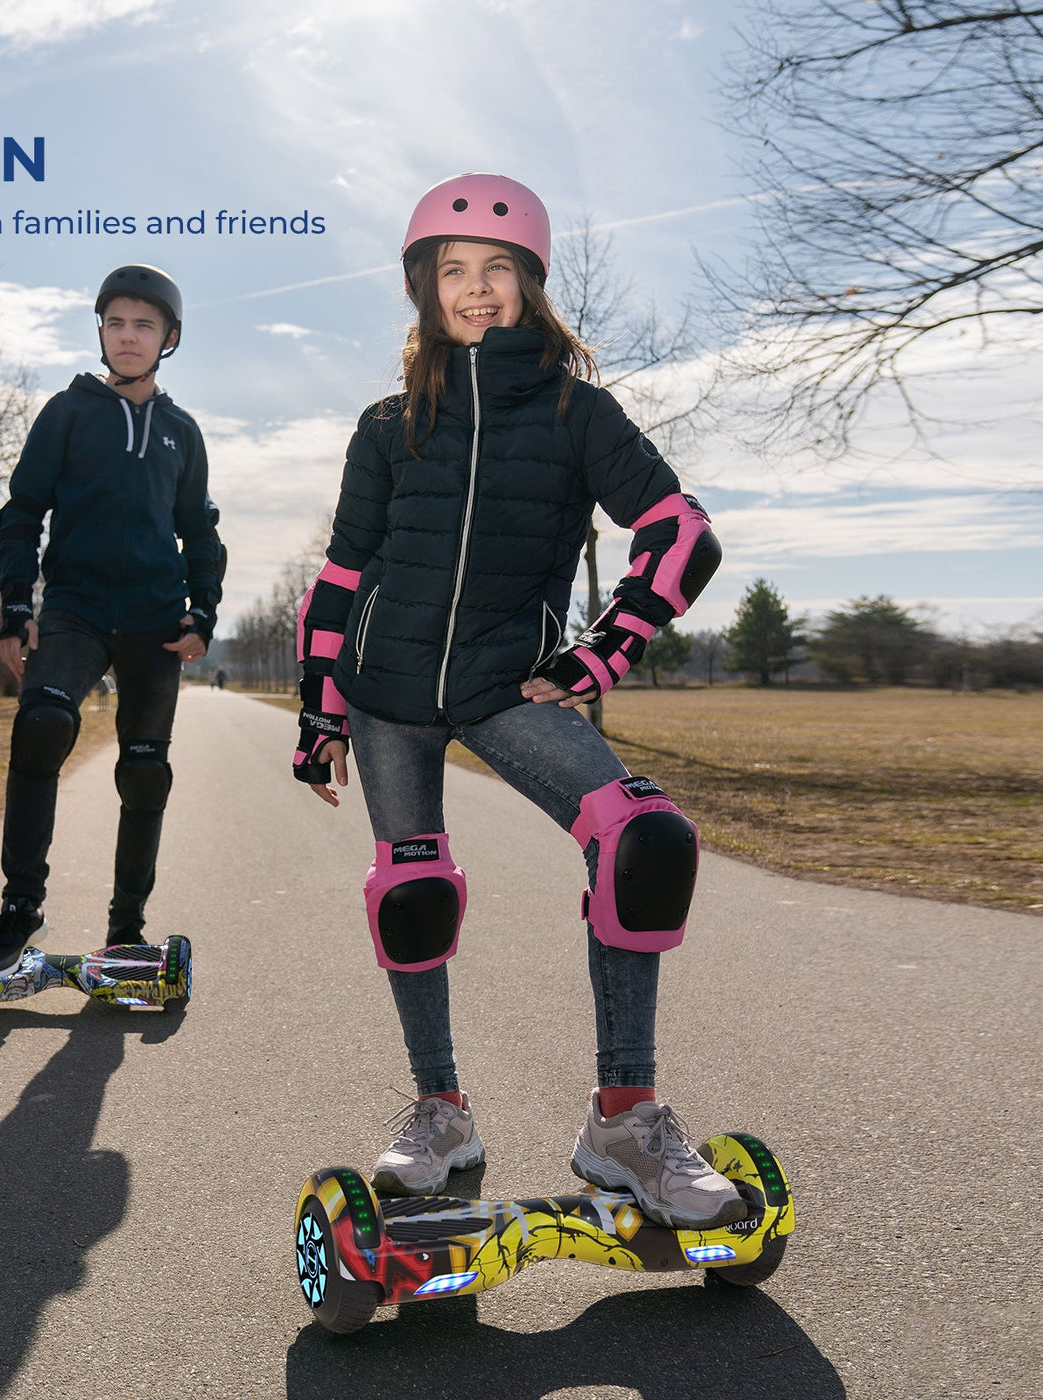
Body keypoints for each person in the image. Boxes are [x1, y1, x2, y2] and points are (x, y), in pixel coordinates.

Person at [292, 174, 744, 1230]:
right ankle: (439, 1111)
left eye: (497, 268)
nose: (475, 287)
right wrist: (319, 712)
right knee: (411, 892)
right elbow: (341, 575)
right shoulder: (387, 423)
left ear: (530, 284)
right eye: (452, 270)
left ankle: (624, 1120)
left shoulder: (575, 411)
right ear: (424, 288)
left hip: (507, 683)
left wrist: (601, 653)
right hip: (387, 693)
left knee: (644, 840)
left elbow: (681, 533)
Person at [0, 264, 225, 975]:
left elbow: (200, 533)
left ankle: (126, 929)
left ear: (168, 338)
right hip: (76, 608)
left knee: (146, 772)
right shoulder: (68, 412)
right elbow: (20, 513)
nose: (127, 335)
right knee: (42, 724)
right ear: (100, 331)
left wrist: (202, 613)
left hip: (154, 620)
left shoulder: (181, 431)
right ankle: (20, 905)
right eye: (115, 322)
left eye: (144, 324)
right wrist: (16, 607)